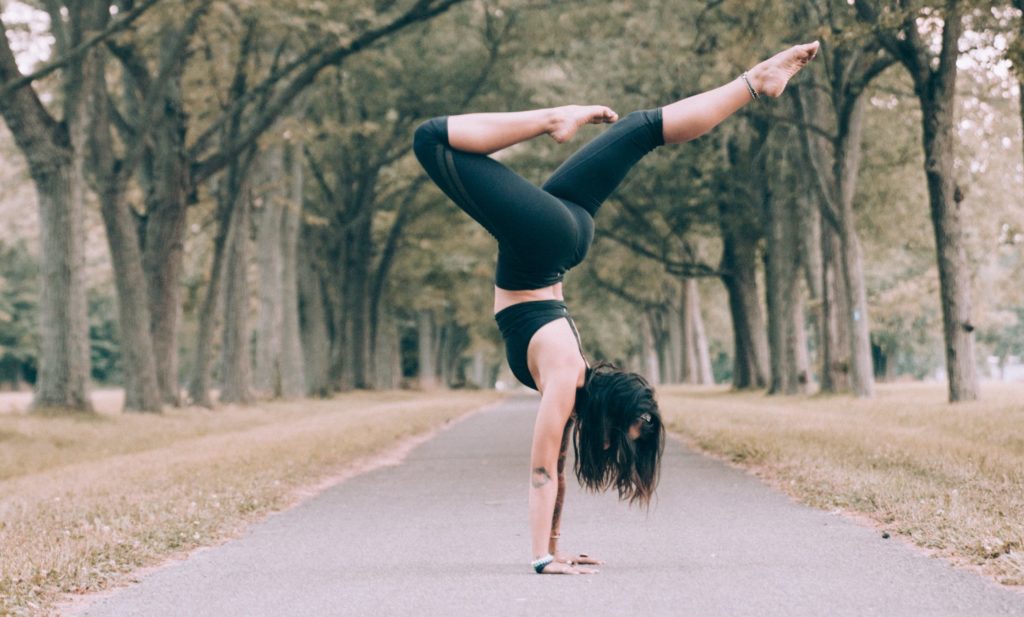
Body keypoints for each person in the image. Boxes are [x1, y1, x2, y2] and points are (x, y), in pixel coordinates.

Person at [412, 41, 819, 575]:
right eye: (615, 433)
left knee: (645, 128)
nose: (605, 442)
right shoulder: (563, 378)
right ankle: (552, 117)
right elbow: (540, 474)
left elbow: (553, 467)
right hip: (543, 243)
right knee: (430, 139)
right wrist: (540, 559)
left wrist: (553, 549)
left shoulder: (570, 382)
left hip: (566, 233)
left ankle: (754, 81)